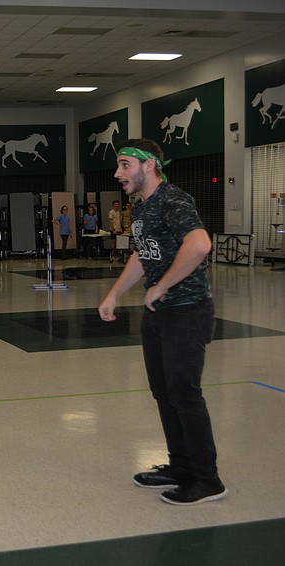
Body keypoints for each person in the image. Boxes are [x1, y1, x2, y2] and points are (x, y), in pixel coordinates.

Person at [98, 138, 226, 506]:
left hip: (186, 312)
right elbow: (142, 254)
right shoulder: (140, 208)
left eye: (125, 165)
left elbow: (200, 245)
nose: (118, 172)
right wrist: (114, 294)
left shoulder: (173, 199)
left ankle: (207, 480)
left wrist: (164, 285)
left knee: (185, 395)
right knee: (164, 393)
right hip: (159, 315)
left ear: (149, 165)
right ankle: (180, 466)